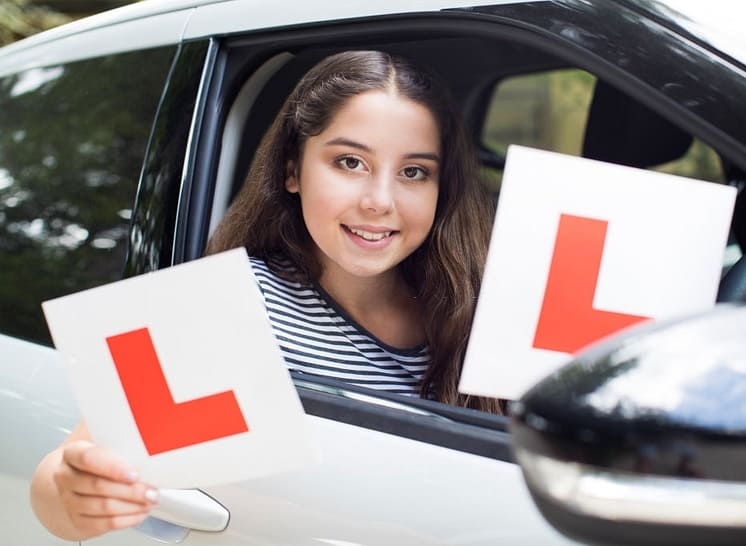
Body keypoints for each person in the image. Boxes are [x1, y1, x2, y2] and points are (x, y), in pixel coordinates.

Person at [30, 50, 501, 541]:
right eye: (350, 162)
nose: (379, 201)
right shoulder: (221, 303)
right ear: (292, 170)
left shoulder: (475, 305)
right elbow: (63, 477)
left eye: (413, 172)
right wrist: (71, 491)